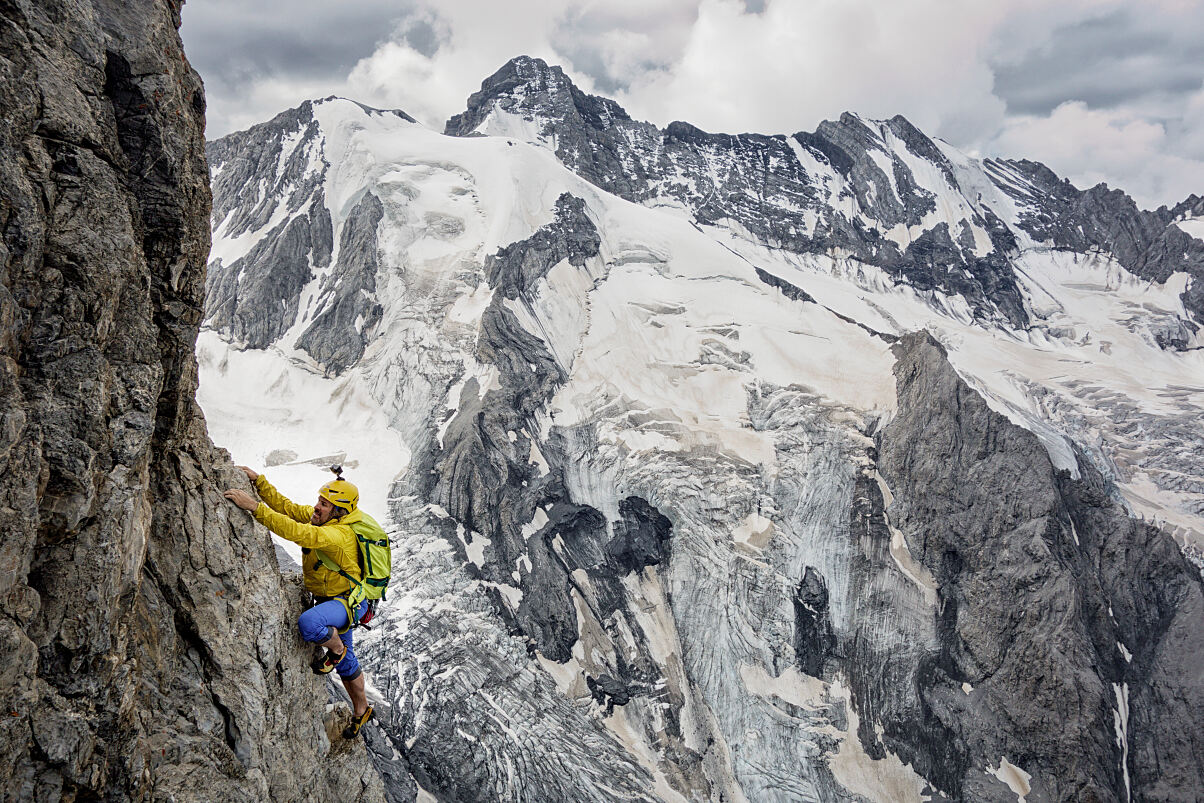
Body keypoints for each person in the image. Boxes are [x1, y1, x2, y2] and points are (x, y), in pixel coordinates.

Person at [223, 466, 375, 738]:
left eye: (324, 504)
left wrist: (254, 508)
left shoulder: (337, 535)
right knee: (348, 666)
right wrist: (260, 482)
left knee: (309, 623)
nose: (316, 507)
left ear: (338, 511)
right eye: (319, 500)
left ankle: (336, 649)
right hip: (337, 601)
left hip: (347, 603)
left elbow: (297, 532)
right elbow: (290, 509)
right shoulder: (323, 520)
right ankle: (361, 710)